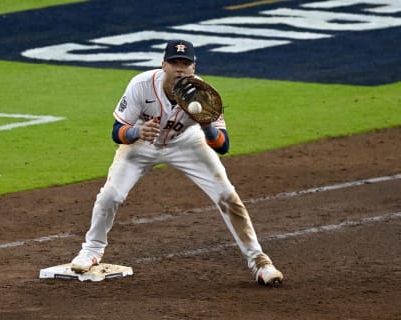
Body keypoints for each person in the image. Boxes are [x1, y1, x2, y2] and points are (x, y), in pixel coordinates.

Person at [71, 39, 284, 286]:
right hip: (143, 142)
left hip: (187, 142)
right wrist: (135, 133)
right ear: (163, 65)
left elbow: (223, 146)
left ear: (194, 68)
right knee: (111, 195)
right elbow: (116, 130)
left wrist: (206, 126)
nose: (180, 69)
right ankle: (92, 251)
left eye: (185, 63)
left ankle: (259, 262)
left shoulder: (205, 94)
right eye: (174, 63)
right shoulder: (141, 85)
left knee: (227, 195)